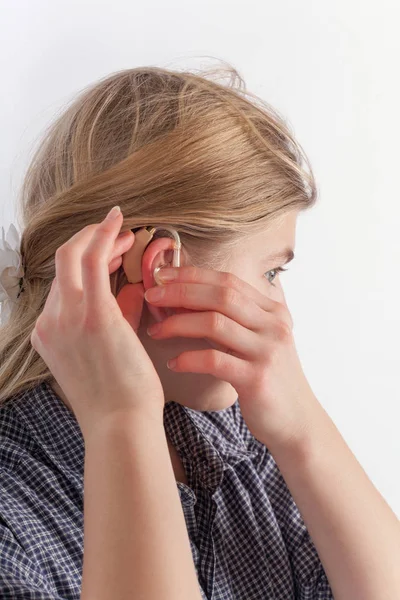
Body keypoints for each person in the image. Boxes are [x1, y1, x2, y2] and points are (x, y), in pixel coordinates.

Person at [0, 65, 398, 600]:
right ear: (161, 268)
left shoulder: (239, 447)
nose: (282, 313)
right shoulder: (14, 516)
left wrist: (304, 431)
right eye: (271, 273)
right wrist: (122, 421)